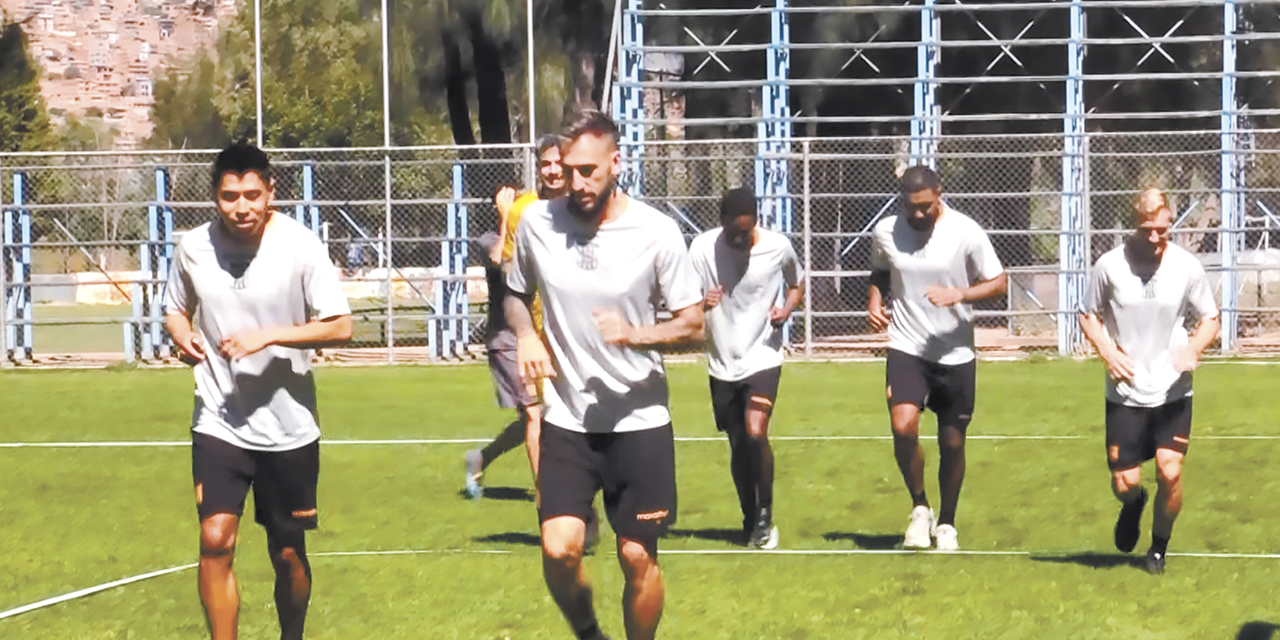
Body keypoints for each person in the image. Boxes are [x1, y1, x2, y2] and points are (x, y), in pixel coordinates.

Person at [507, 110, 703, 640]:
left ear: (616, 163)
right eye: (568, 169)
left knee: (637, 555)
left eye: (589, 170)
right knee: (558, 549)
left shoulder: (656, 232)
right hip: (567, 419)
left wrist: (636, 334)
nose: (577, 182)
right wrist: (526, 334)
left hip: (639, 419)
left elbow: (693, 325)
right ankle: (590, 634)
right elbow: (515, 294)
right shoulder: (537, 224)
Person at [165, 142, 352, 640]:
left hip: (288, 428)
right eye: (229, 196)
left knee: (287, 549)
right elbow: (175, 308)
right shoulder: (192, 248)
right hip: (219, 417)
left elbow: (340, 326)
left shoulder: (300, 245)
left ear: (271, 191)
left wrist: (269, 335)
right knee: (215, 539)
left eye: (252, 194)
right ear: (214, 196)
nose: (241, 207)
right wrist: (181, 335)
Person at [1079, 188, 1219, 575]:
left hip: (1173, 388)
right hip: (1126, 391)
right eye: (1148, 230)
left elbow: (1210, 317)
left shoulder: (1187, 267)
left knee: (1170, 471)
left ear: (1170, 221)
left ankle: (1158, 548)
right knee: (1125, 484)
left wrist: (1193, 348)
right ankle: (1134, 503)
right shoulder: (1108, 266)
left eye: (1163, 228)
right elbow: (1087, 314)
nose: (1156, 237)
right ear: (1134, 226)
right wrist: (1108, 352)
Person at [867, 164, 1007, 552]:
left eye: (925, 206)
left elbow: (998, 282)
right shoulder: (886, 231)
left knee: (952, 442)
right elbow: (881, 270)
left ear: (939, 194)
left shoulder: (965, 231)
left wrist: (960, 294)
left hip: (955, 351)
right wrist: (875, 299)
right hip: (907, 346)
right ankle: (919, 507)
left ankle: (947, 522)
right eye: (911, 206)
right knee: (903, 424)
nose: (918, 214)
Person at [689, 187, 803, 549]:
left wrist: (786, 309)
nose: (740, 239)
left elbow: (795, 284)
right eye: (733, 232)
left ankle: (767, 513)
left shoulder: (778, 246)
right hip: (722, 361)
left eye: (747, 230)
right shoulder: (702, 249)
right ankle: (749, 515)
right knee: (738, 445)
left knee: (756, 432)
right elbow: (682, 303)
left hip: (763, 355)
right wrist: (699, 302)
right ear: (720, 222)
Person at [464, 134, 567, 499]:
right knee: (536, 415)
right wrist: (506, 217)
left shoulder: (582, 208)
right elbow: (504, 269)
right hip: (514, 334)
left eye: (559, 162)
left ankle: (481, 457)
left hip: (560, 332)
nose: (553, 170)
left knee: (540, 416)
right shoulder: (522, 212)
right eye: (545, 163)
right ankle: (548, 497)